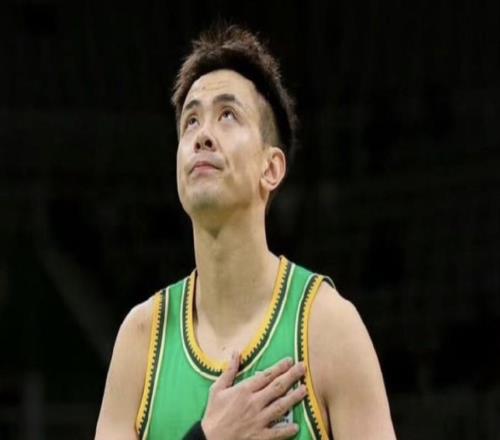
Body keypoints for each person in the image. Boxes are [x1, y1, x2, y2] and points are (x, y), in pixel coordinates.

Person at [95, 24, 396, 440]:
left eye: (227, 116)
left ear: (270, 168)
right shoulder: (141, 340)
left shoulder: (328, 328)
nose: (202, 135)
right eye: (191, 121)